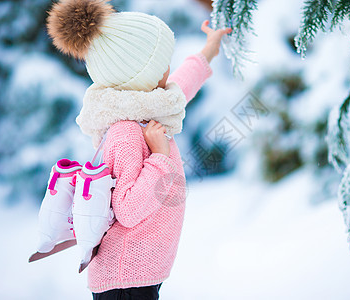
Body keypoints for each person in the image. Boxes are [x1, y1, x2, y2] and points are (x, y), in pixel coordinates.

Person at [46, 0, 231, 299]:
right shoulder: (126, 132)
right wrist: (159, 157)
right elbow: (129, 209)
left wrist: (210, 47)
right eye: (162, 63)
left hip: (139, 274)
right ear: (139, 77)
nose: (169, 68)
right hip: (124, 281)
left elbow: (181, 85)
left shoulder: (151, 106)